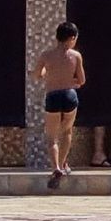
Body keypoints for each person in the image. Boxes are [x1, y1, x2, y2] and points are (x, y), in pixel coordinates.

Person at [35, 21, 87, 188]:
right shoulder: (76, 56)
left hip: (53, 95)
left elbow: (37, 75)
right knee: (67, 131)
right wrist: (71, 81)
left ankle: (56, 167)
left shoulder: (46, 55)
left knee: (52, 137)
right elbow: (82, 80)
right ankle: (63, 164)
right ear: (72, 38)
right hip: (69, 95)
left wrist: (47, 73)